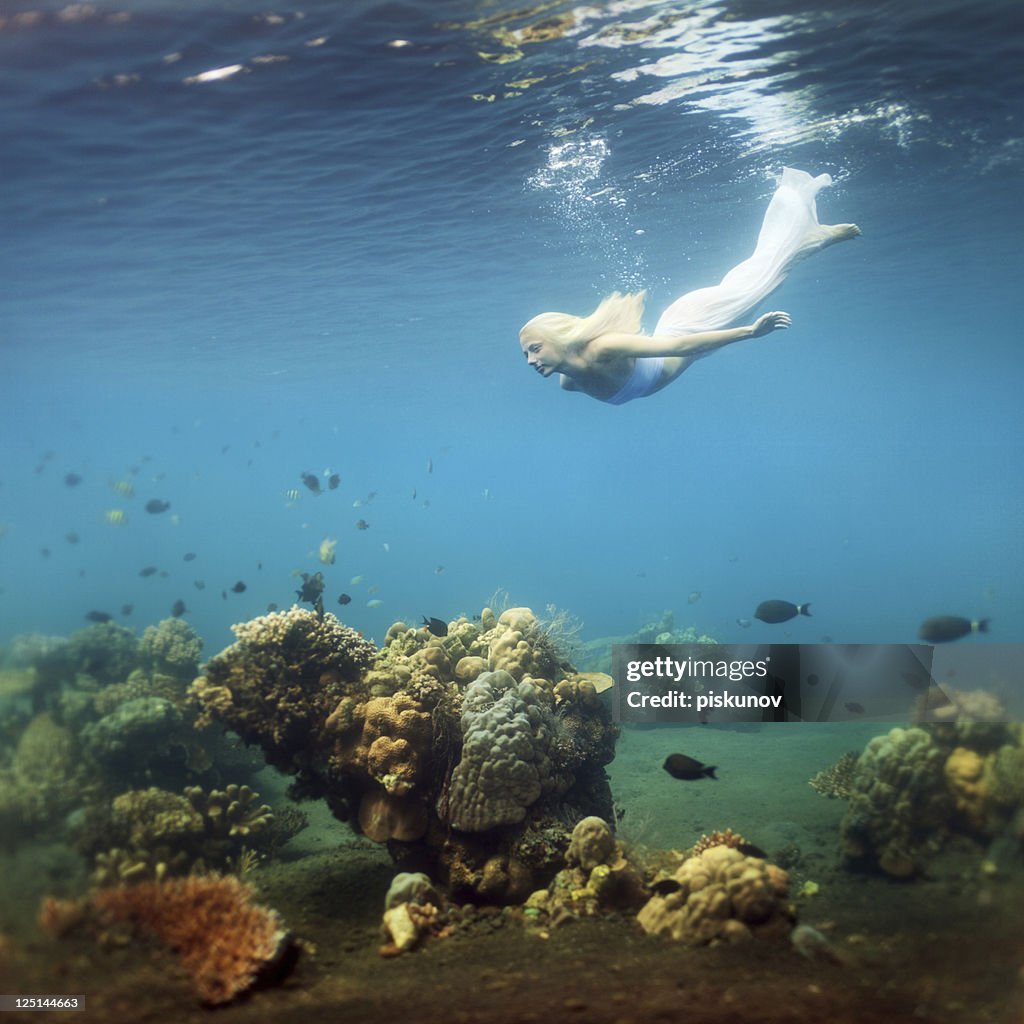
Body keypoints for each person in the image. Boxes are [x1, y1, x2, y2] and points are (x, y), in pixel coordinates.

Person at [519, 167, 860, 405]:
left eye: (535, 348)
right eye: (526, 354)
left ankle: (809, 226)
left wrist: (750, 333)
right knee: (753, 278)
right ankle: (810, 236)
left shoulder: (602, 349)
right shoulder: (569, 381)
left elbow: (680, 345)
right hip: (690, 338)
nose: (531, 360)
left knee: (761, 280)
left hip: (690, 323)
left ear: (557, 340)